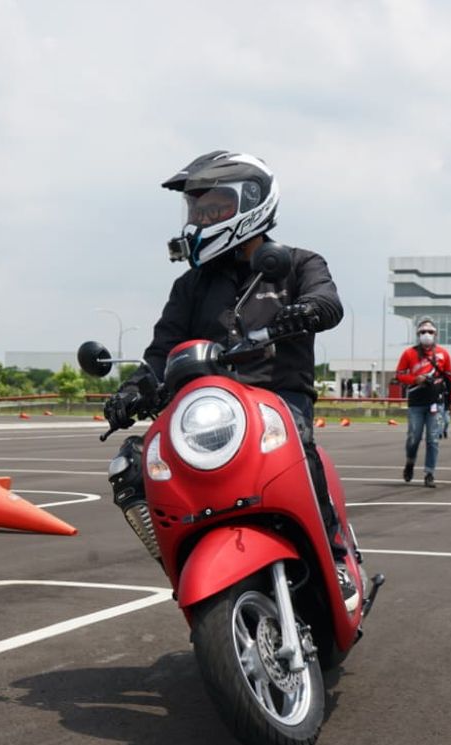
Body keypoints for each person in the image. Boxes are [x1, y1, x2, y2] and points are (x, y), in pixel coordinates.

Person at [101, 150, 352, 588]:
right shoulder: (190, 285)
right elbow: (160, 352)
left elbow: (328, 302)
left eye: (213, 207)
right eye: (197, 208)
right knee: (134, 466)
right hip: (205, 409)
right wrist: (132, 390)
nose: (201, 217)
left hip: (276, 400)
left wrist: (305, 311)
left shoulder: (298, 264)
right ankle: (180, 565)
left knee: (300, 446)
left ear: (251, 204)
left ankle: (333, 557)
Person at [395, 316, 451, 488]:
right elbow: (399, 375)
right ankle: (410, 462)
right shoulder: (409, 353)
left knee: (433, 439)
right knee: (414, 437)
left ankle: (430, 473)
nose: (427, 335)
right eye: (423, 332)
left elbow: (450, 379)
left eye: (430, 332)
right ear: (418, 334)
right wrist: (416, 379)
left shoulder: (443, 354)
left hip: (436, 403)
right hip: (416, 402)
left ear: (435, 334)